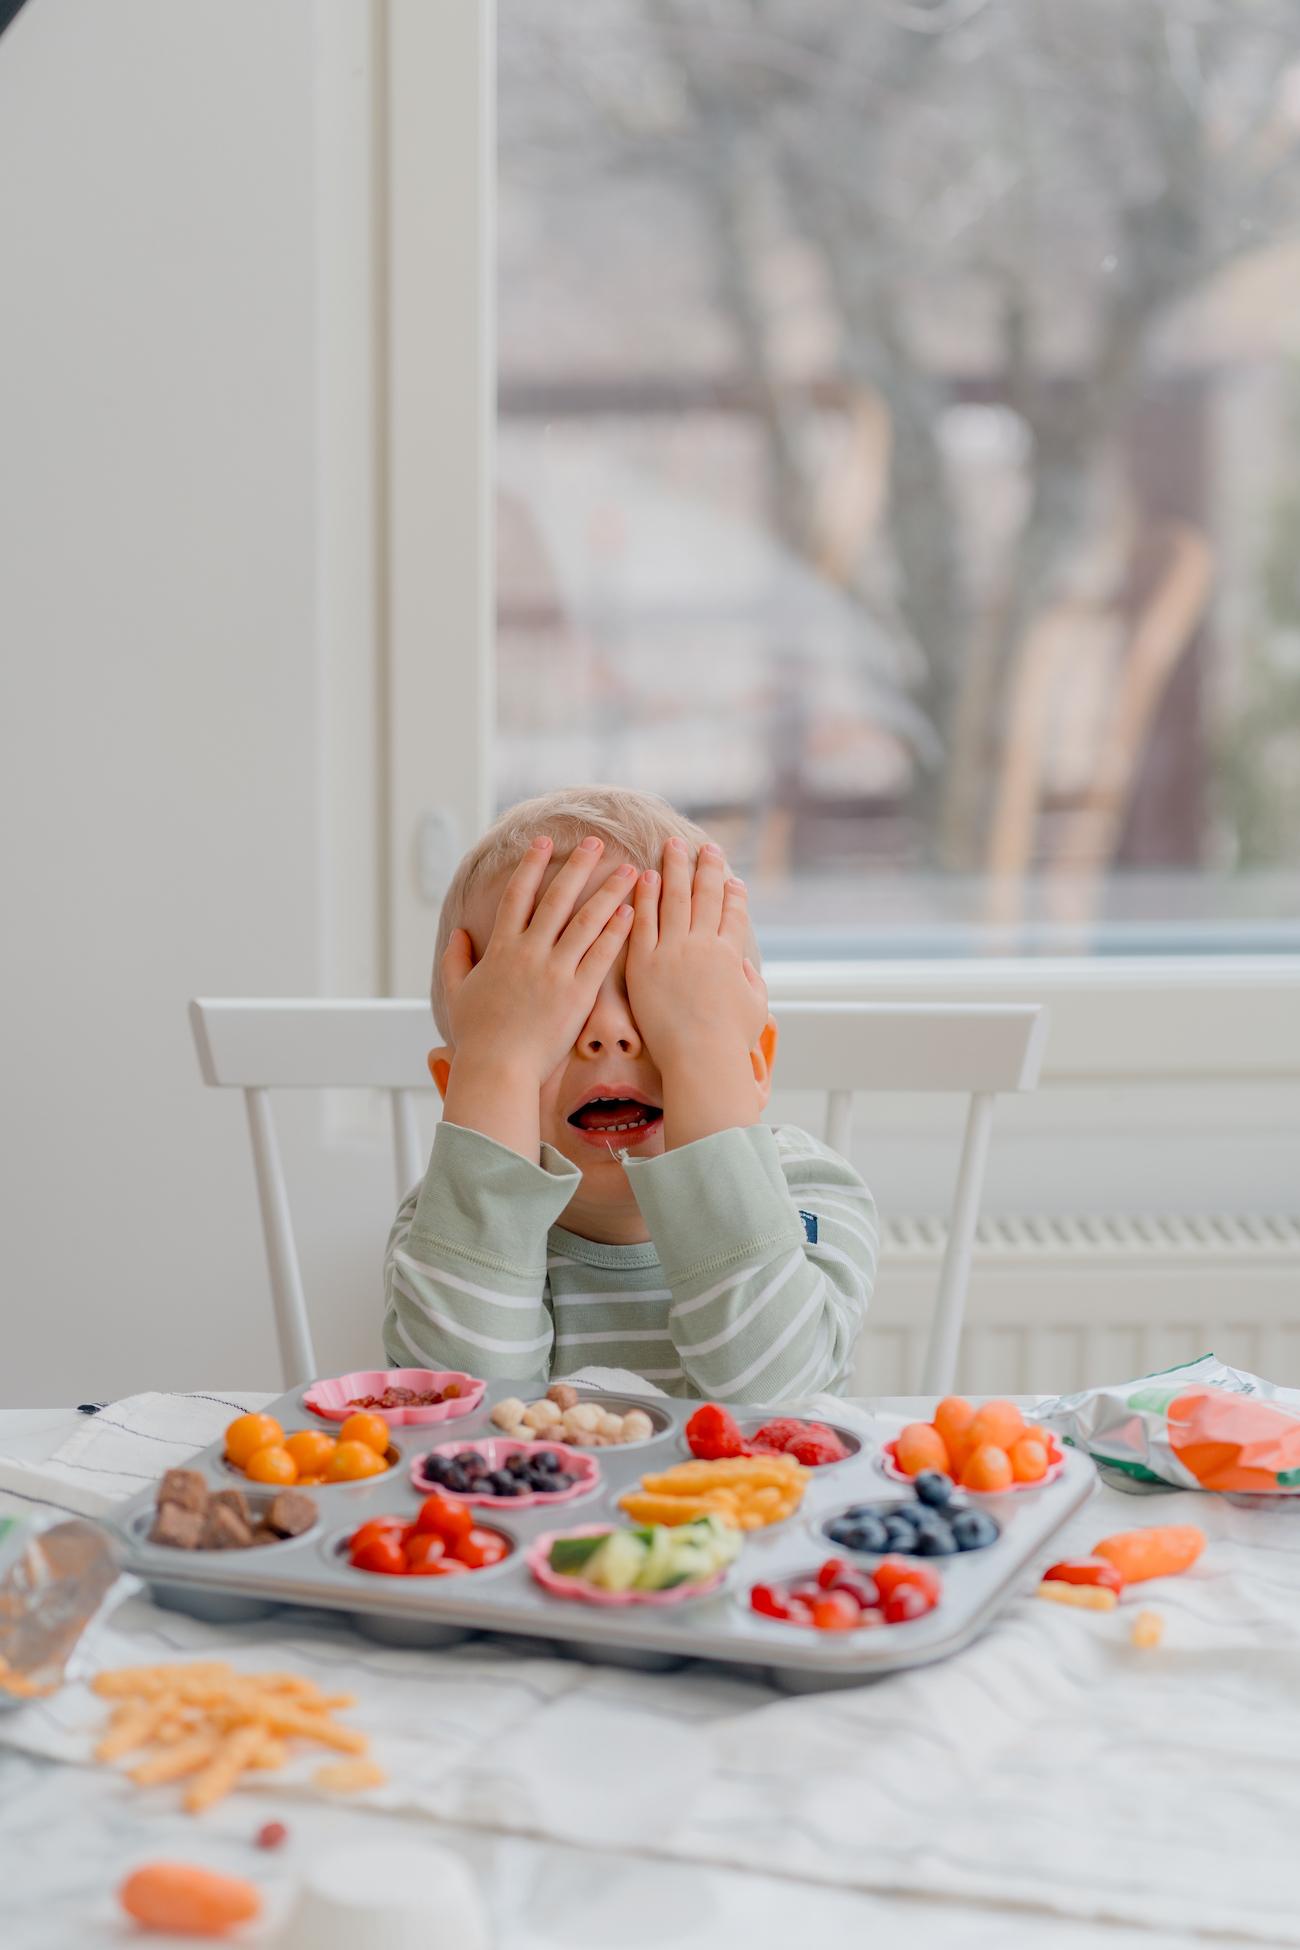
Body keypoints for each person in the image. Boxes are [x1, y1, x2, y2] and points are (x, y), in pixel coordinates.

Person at [382, 786, 877, 1402]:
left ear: (751, 1066)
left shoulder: (810, 1192)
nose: (609, 1033)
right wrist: (500, 1064)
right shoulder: (446, 1223)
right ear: (463, 1091)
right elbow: (462, 1416)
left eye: (657, 1004)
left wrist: (702, 1055)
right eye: (555, 1013)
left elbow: (771, 1401)